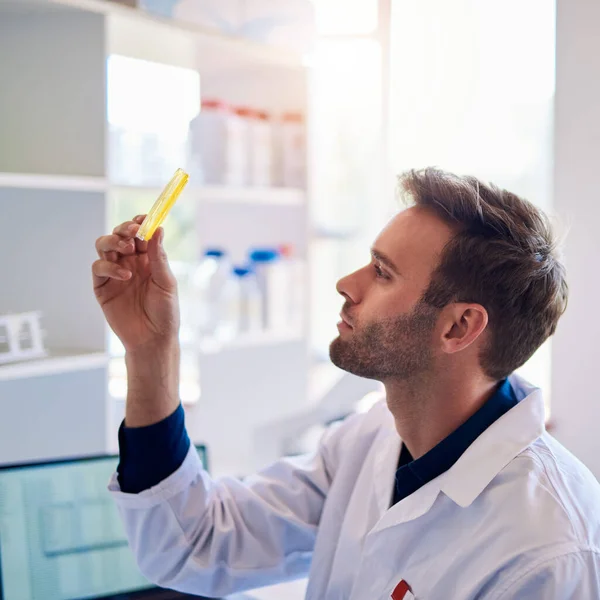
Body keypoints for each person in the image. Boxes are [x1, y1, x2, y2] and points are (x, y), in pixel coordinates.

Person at [93, 168, 600, 599]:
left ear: (458, 327)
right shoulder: (372, 437)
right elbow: (195, 542)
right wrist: (150, 349)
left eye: (382, 272)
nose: (346, 284)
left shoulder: (546, 550)